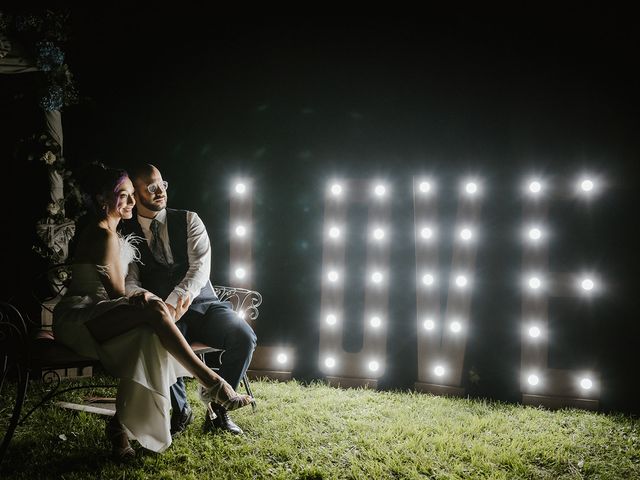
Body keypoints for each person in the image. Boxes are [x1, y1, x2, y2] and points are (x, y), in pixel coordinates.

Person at [53, 163, 252, 461]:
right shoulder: (111, 234)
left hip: (197, 305)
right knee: (152, 328)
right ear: (103, 198)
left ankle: (123, 426)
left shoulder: (183, 221)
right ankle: (208, 386)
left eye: (135, 193)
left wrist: (167, 302)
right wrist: (152, 303)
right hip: (84, 317)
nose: (137, 199)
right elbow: (121, 292)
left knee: (157, 337)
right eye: (128, 194)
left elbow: (199, 268)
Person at [122, 163, 257, 436]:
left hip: (204, 306)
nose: (160, 191)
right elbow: (130, 280)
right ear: (135, 196)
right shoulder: (127, 233)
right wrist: (146, 298)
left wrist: (173, 303)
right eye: (151, 187)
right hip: (164, 314)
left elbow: (199, 268)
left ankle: (218, 411)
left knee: (244, 336)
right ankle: (181, 410)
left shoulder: (189, 219)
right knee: (161, 341)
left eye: (162, 184)